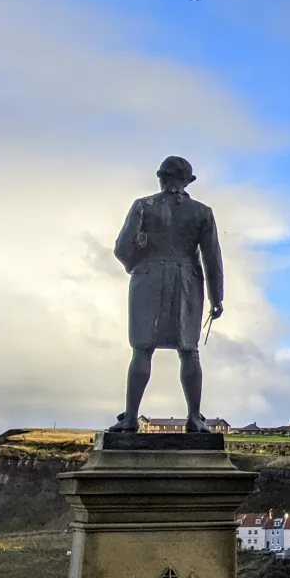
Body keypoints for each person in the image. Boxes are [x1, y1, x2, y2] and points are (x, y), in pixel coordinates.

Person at [108, 157, 224, 433]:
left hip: (147, 280)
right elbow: (212, 259)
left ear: (162, 177)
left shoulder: (143, 206)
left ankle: (130, 418)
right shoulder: (202, 212)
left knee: (142, 349)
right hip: (187, 281)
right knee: (189, 350)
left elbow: (122, 249)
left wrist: (137, 263)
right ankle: (194, 418)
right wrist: (216, 297)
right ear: (187, 181)